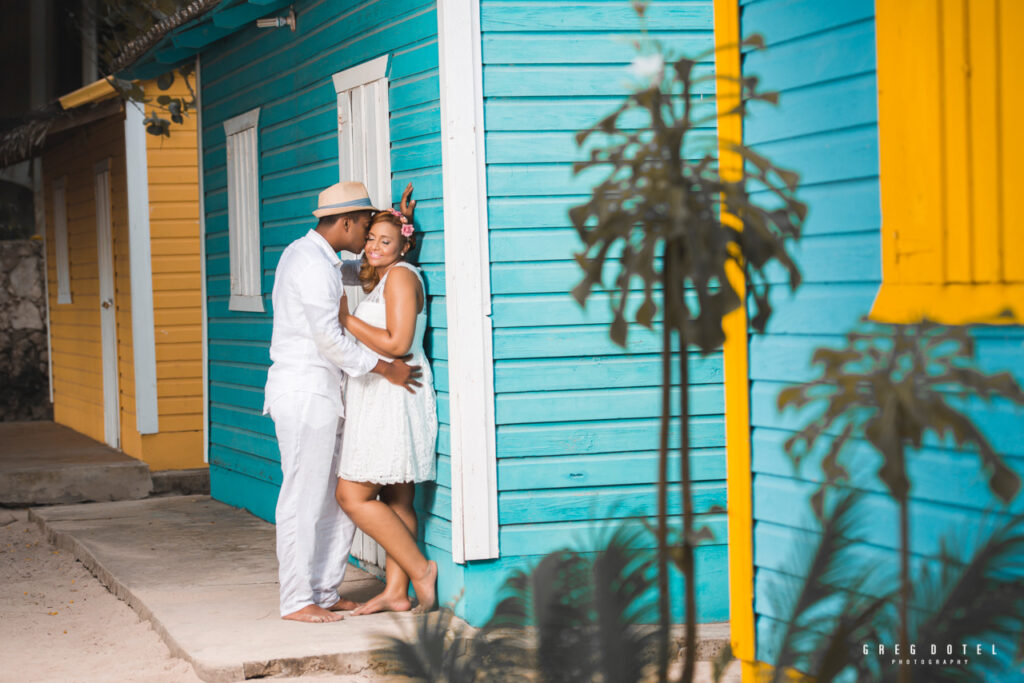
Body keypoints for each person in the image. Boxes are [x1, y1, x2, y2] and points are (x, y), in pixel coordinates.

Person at [263, 181, 420, 624]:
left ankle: (324, 591)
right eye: (366, 226)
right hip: (304, 392)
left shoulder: (324, 260)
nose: (368, 236)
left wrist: (397, 225)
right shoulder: (310, 264)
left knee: (334, 499)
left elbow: (376, 263)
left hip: (326, 394)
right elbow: (330, 339)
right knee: (302, 497)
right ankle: (297, 599)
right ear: (346, 223)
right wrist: (385, 367)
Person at [335, 209, 439, 614]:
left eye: (386, 241)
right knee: (397, 501)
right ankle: (396, 592)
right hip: (384, 391)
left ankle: (419, 570)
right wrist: (400, 217)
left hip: (394, 394)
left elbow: (398, 343)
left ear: (404, 247)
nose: (374, 247)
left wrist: (345, 319)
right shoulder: (387, 277)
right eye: (372, 238)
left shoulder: (399, 276)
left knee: (352, 495)